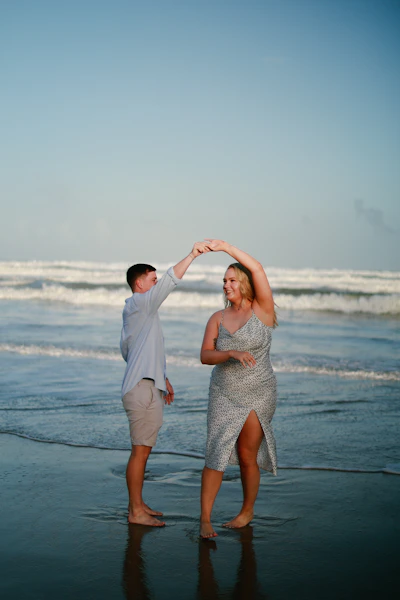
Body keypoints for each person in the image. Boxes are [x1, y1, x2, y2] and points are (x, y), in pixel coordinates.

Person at [120, 241, 210, 527]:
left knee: (143, 450)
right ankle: (135, 512)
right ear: (139, 283)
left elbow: (132, 351)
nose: (157, 283)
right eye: (152, 279)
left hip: (146, 385)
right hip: (141, 388)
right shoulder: (139, 303)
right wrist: (193, 254)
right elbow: (171, 279)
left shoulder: (140, 313)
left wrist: (163, 378)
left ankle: (139, 504)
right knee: (140, 451)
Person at [199, 239, 278, 539]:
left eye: (232, 280)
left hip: (259, 391)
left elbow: (257, 267)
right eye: (224, 281)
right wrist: (230, 353)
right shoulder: (217, 319)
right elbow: (206, 355)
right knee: (216, 452)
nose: (226, 285)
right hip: (223, 392)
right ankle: (205, 519)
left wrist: (223, 246)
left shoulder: (263, 311)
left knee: (247, 455)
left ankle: (247, 511)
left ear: (244, 283)